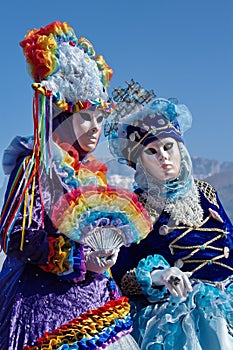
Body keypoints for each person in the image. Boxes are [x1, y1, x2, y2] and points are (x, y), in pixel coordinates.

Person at [0, 22, 140, 350]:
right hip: (42, 307)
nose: (95, 127)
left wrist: (104, 254)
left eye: (100, 119)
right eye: (86, 117)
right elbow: (13, 234)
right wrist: (77, 258)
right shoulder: (36, 164)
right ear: (63, 114)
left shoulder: (93, 176)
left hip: (98, 302)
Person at [107, 81, 233, 350]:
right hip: (180, 318)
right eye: (152, 151)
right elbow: (120, 273)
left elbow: (229, 244)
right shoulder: (136, 207)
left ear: (180, 149)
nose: (163, 157)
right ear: (140, 160)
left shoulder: (206, 192)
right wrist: (159, 276)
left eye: (168, 147)